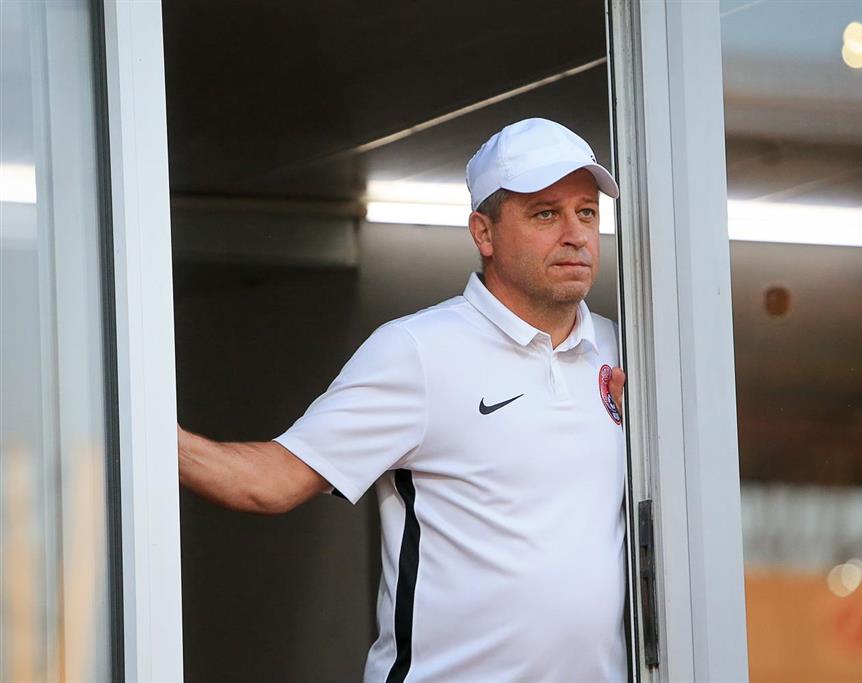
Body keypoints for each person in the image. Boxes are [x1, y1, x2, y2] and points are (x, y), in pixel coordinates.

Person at [178, 117, 628, 682]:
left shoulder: (625, 352)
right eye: (545, 214)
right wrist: (142, 432)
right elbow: (271, 482)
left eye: (586, 212)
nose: (575, 234)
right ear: (484, 233)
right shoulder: (417, 351)